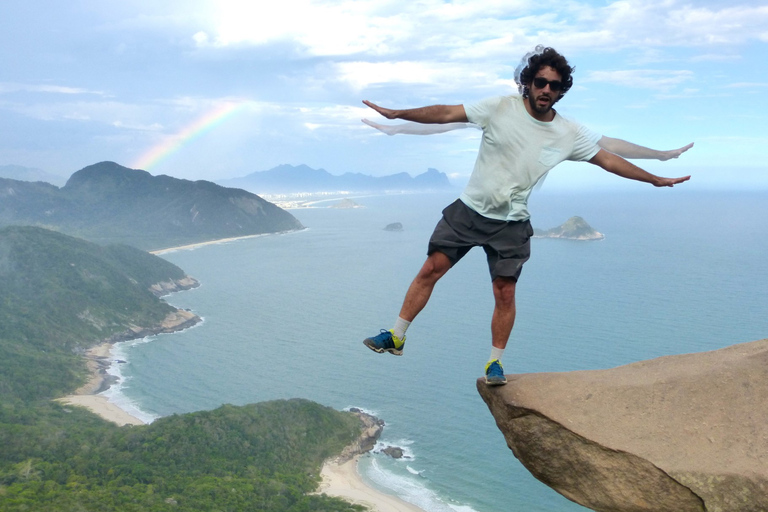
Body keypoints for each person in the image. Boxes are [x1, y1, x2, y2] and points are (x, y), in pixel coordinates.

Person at [361, 46, 691, 386]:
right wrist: (399, 114)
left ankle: (495, 364)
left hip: (511, 223)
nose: (546, 89)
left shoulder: (568, 133)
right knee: (430, 269)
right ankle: (397, 336)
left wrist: (653, 178)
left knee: (504, 292)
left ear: (562, 91)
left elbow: (608, 159)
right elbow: (446, 113)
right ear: (528, 83)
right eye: (540, 82)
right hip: (469, 210)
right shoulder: (500, 107)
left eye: (554, 85)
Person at [361, 120, 694, 161]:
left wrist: (661, 155)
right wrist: (397, 128)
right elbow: (448, 122)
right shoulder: (502, 112)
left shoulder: (565, 127)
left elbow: (611, 144)